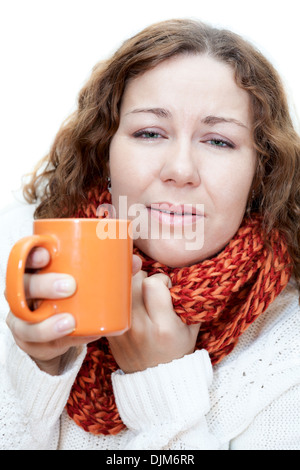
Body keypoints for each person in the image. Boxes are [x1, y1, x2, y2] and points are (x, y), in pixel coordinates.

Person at [0, 18, 299, 450]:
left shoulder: (288, 348)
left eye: (218, 141)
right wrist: (37, 367)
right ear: (105, 153)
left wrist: (162, 392)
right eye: (150, 133)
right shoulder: (20, 257)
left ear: (260, 174)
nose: (180, 170)